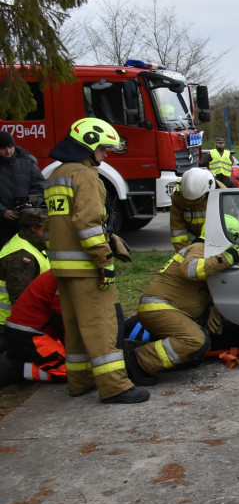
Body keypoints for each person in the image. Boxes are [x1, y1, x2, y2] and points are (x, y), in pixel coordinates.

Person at [43, 118, 147, 404]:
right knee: (102, 325)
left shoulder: (56, 175)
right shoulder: (86, 176)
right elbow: (88, 224)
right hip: (87, 267)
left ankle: (80, 381)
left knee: (76, 327)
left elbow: (52, 226)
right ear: (88, 146)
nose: (105, 154)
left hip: (64, 268)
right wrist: (104, 261)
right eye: (102, 148)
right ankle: (115, 386)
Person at [132, 220, 239, 382]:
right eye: (235, 242)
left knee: (194, 355)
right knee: (195, 341)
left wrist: (215, 310)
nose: (236, 246)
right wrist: (228, 257)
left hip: (167, 309)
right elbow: (190, 269)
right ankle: (137, 362)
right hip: (160, 308)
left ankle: (142, 356)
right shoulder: (199, 248)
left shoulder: (207, 255)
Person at [3, 270, 65, 385]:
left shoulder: (65, 272)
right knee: (74, 371)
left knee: (79, 365)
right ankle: (15, 368)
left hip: (30, 331)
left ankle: (21, 362)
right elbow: (60, 318)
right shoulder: (66, 276)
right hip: (28, 334)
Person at [0, 208, 49, 354]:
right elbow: (22, 300)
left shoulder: (36, 246)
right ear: (34, 228)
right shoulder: (21, 257)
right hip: (7, 327)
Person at [0, 130, 46, 244]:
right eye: (3, 148)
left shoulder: (27, 162)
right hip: (2, 223)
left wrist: (30, 202)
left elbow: (40, 187)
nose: (8, 151)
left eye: (10, 147)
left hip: (26, 219)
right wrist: (3, 212)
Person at [169, 168, 217, 250]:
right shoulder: (178, 198)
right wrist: (184, 254)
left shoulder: (220, 193)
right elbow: (178, 232)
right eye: (188, 200)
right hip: (190, 245)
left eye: (196, 200)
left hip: (215, 244)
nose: (193, 203)